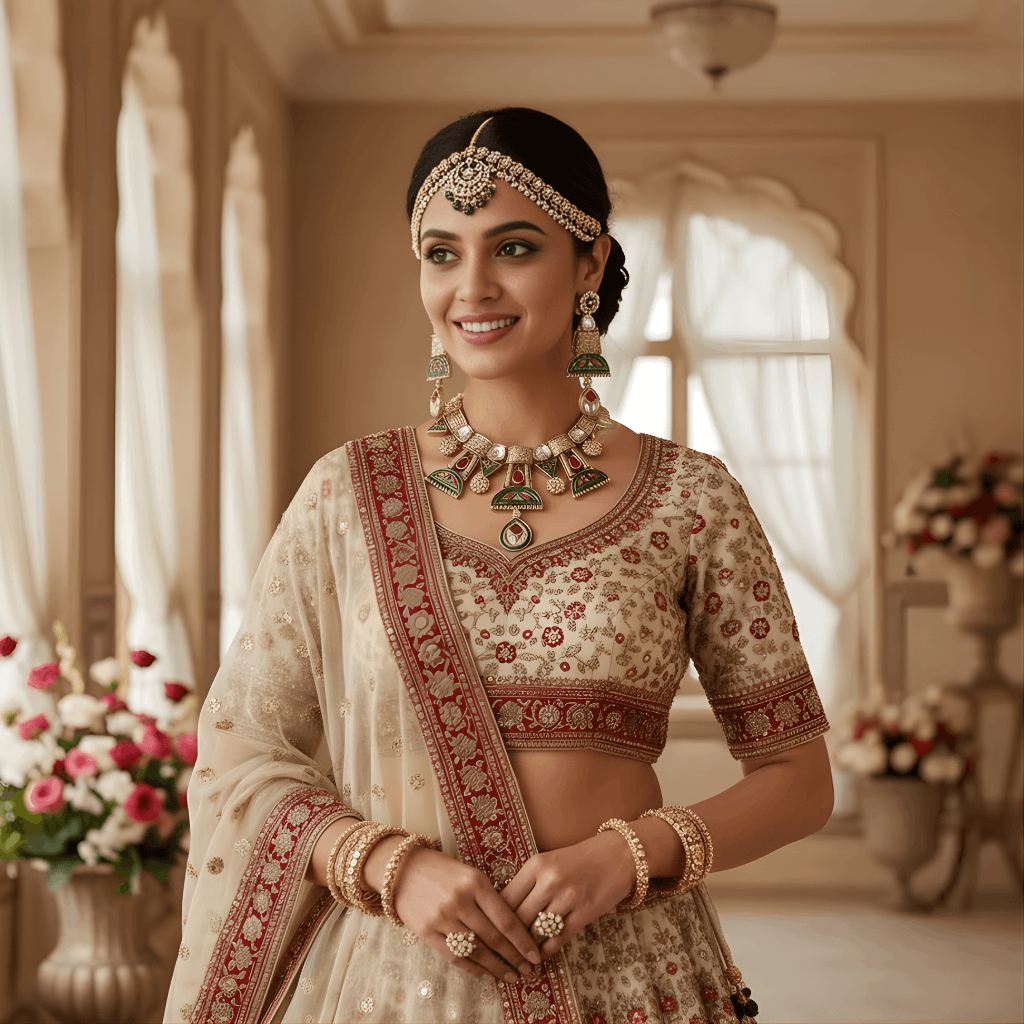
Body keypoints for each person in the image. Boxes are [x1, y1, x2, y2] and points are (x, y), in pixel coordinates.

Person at [164, 107, 833, 1024]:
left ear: (588, 263)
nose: (471, 287)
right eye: (442, 254)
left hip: (627, 978)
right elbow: (240, 750)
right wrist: (387, 868)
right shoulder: (348, 496)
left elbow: (799, 779)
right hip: (391, 982)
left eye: (512, 248)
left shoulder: (692, 498)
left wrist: (628, 855)